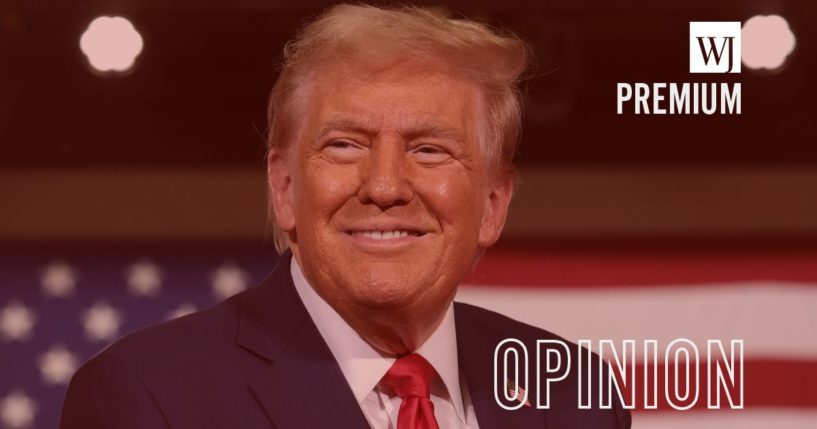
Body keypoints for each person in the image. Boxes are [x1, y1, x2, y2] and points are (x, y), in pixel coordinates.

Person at [61, 4, 630, 428]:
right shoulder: (148, 397)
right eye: (344, 145)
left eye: (430, 149)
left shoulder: (571, 392)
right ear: (284, 188)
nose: (384, 186)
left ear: (492, 206)